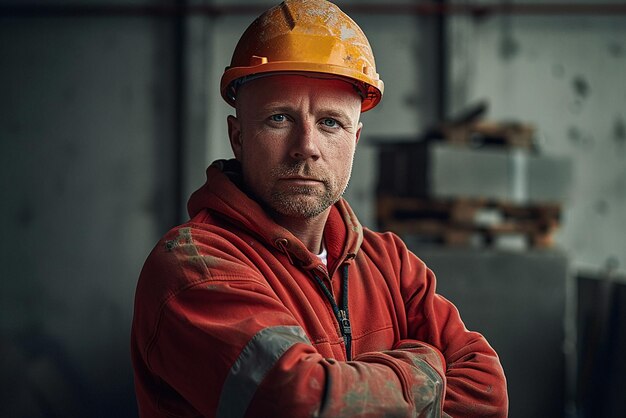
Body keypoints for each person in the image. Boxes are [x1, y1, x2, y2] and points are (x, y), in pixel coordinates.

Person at [131, 0, 508, 417]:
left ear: (355, 139)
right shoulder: (194, 268)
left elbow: (486, 390)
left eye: (330, 122)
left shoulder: (390, 264)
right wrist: (425, 370)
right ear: (237, 136)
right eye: (279, 118)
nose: (306, 146)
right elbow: (301, 404)